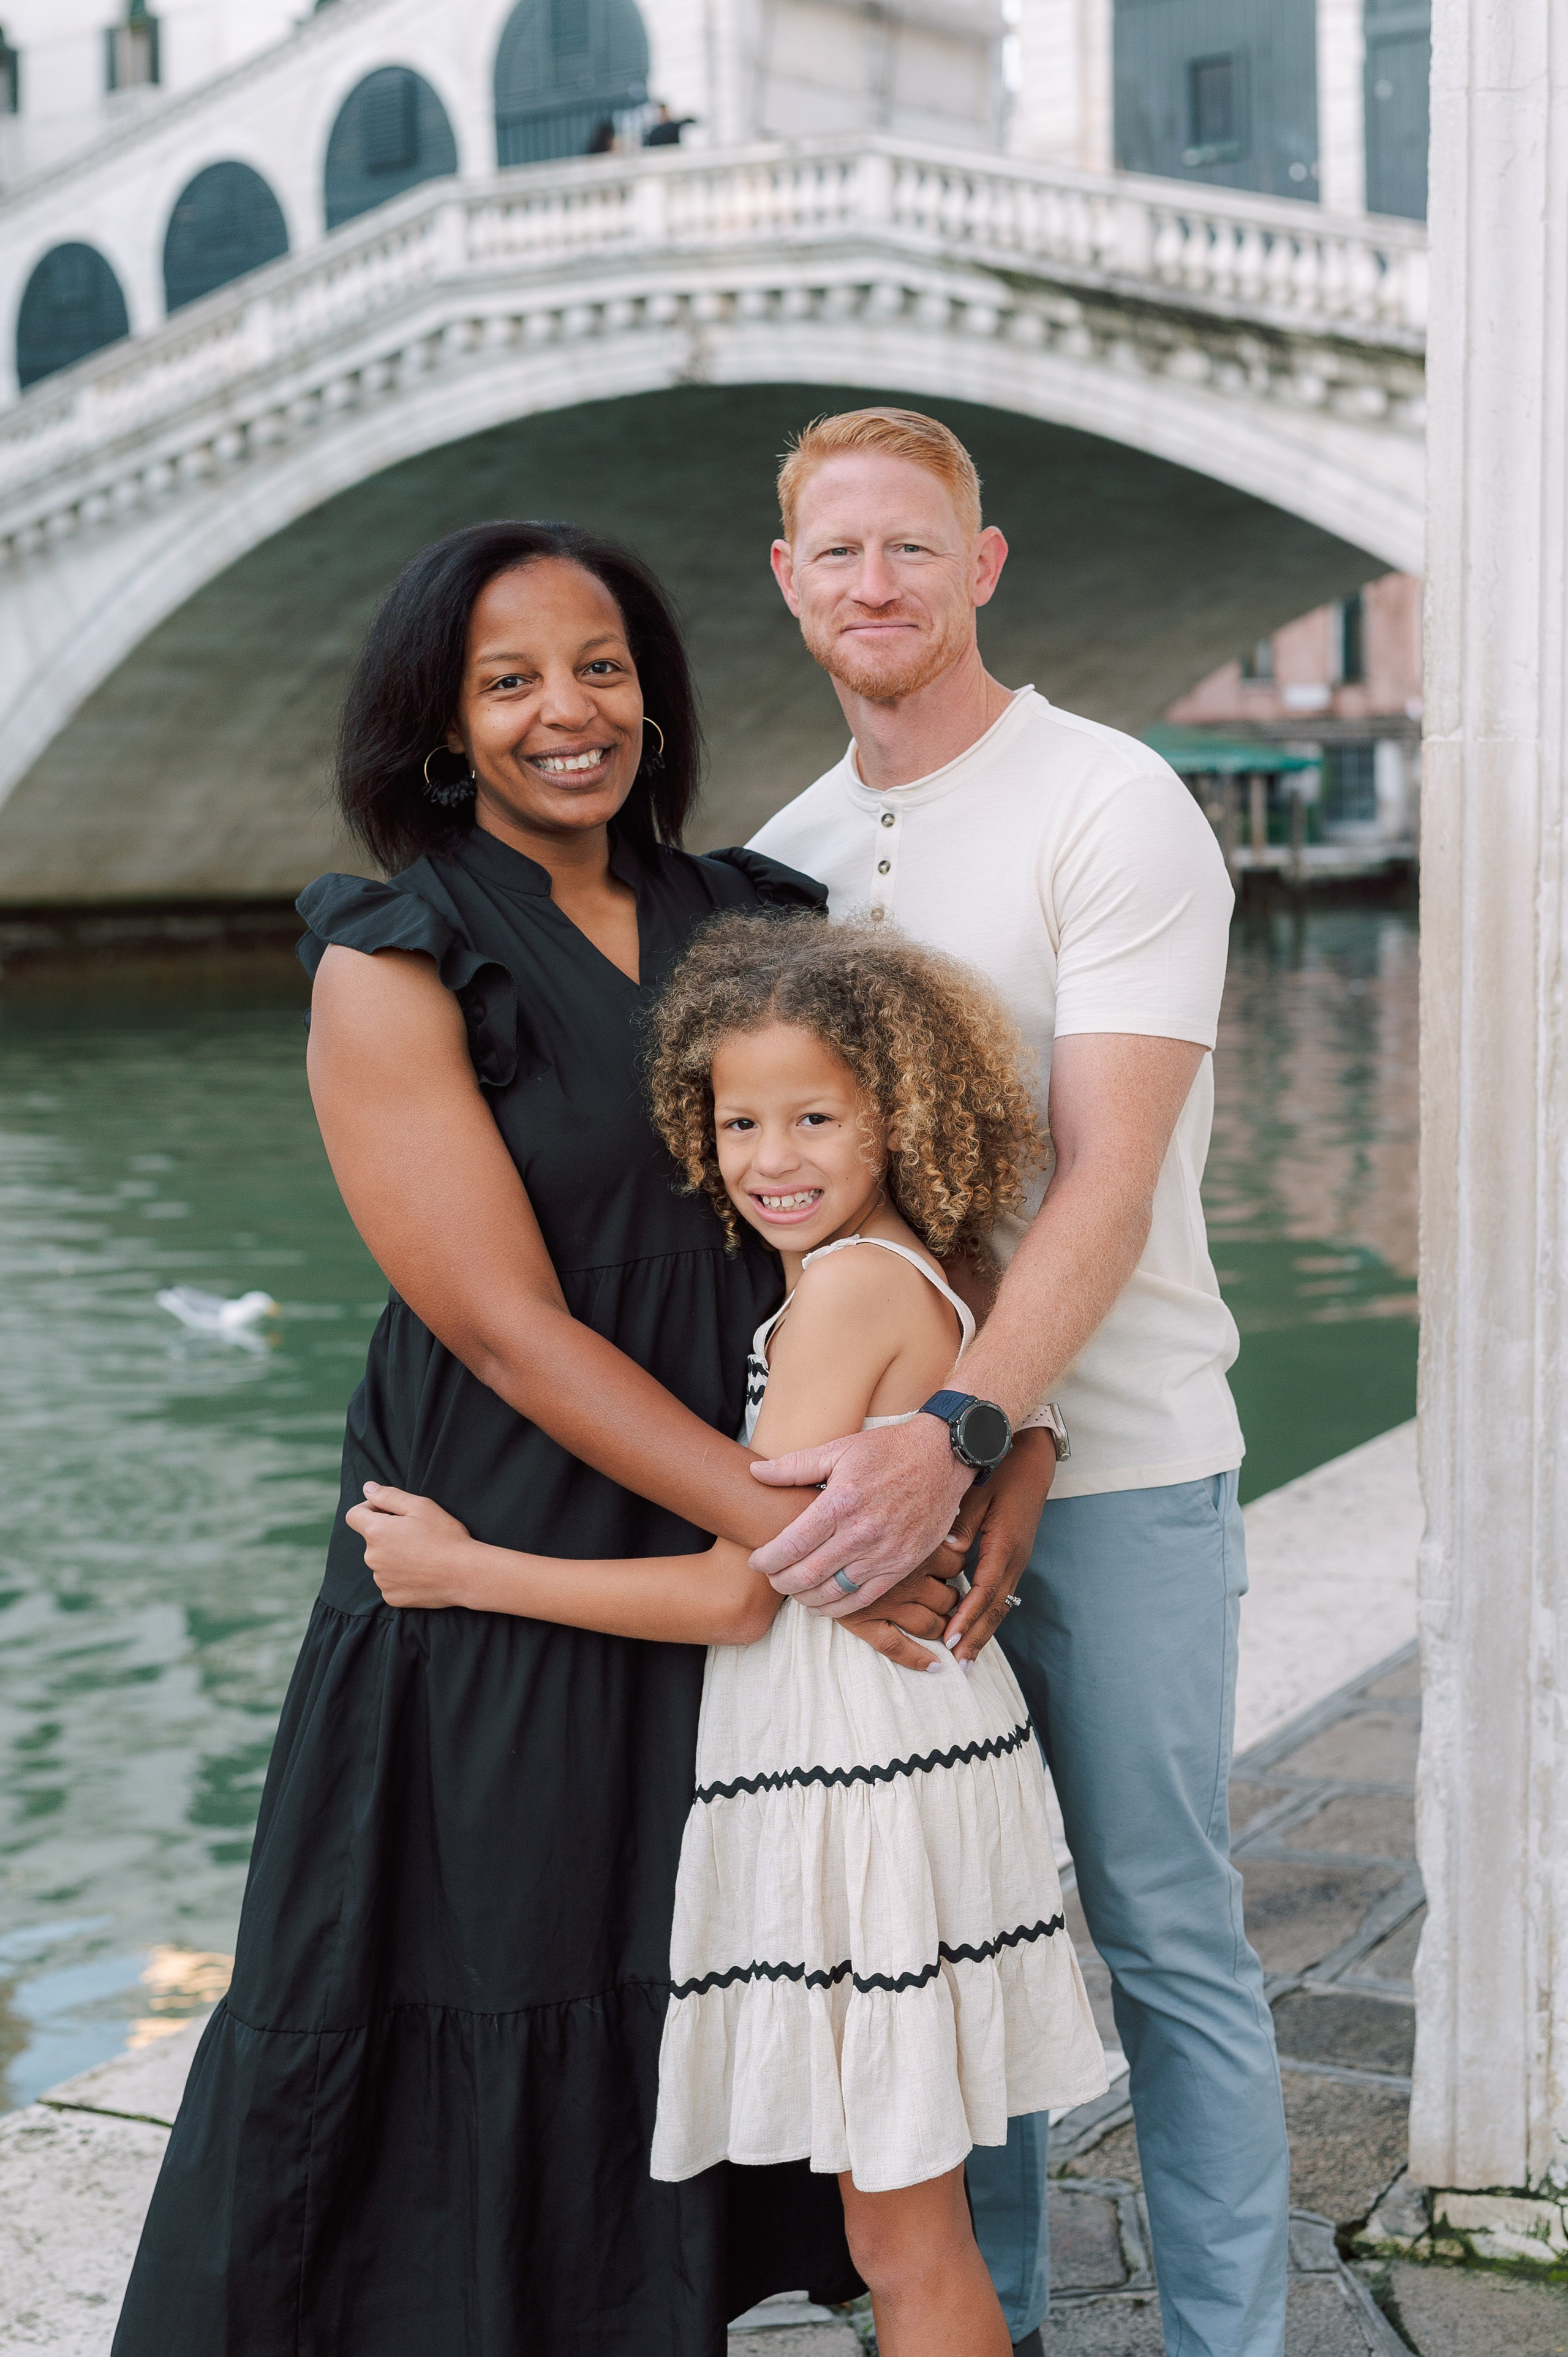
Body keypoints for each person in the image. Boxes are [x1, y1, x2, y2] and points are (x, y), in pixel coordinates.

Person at [111, 520, 976, 2357]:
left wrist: (960, 1463)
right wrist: (782, 1539)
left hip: (727, 1518)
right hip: (520, 1520)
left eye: (599, 666)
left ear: (653, 695)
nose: (564, 712)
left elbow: (903, 1222)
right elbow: (501, 1328)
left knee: (690, 1934)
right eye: (508, 681)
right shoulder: (397, 952)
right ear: (442, 723)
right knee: (489, 1947)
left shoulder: (763, 921)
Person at [343, 910, 1108, 2357]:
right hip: (895, 1753)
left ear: (900, 1112)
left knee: (901, 2239)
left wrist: (466, 1570)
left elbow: (730, 1590)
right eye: (738, 1118)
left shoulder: (843, 1299)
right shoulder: (914, 1265)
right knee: (898, 2222)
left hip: (863, 1774)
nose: (769, 1160)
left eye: (815, 1117)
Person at [739, 409, 1291, 2356]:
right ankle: (998, 2325)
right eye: (838, 553)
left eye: (913, 549)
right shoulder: (794, 860)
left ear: (982, 569)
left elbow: (1110, 1182)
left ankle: (1236, 2337)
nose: (874, 584)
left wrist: (968, 1432)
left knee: (1162, 1928)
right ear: (787, 580)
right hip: (897, 1485)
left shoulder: (1111, 801)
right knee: (949, 1936)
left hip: (1120, 1465)